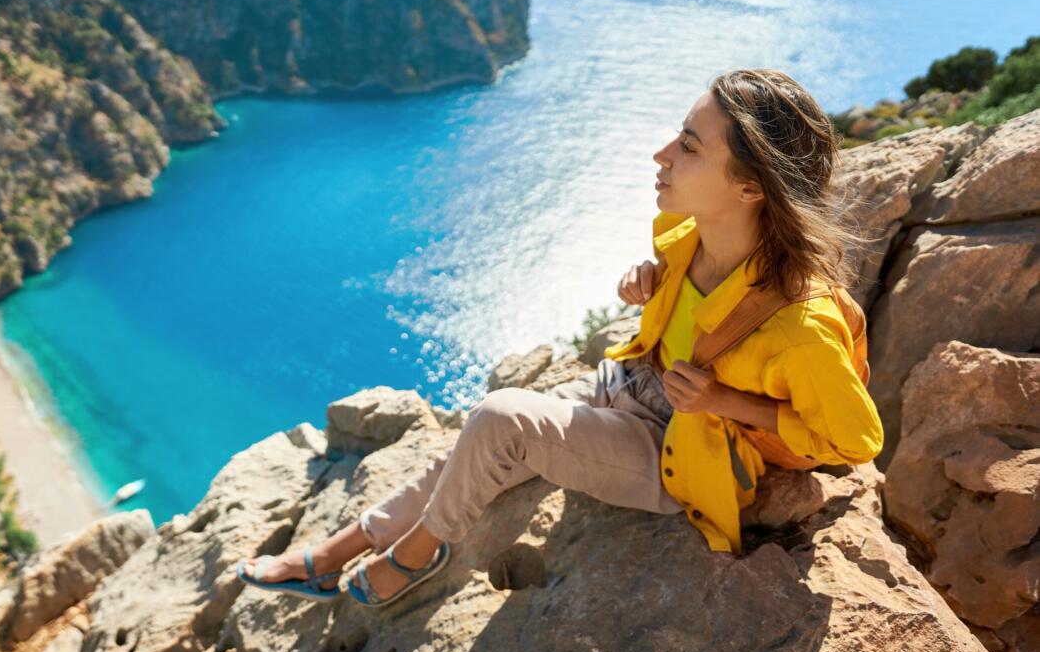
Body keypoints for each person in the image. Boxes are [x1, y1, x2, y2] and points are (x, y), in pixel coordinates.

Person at [236, 68, 884, 607]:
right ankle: (338, 549)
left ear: (749, 186)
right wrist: (655, 287)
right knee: (472, 447)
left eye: (688, 146)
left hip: (682, 448)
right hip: (632, 385)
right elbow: (702, 318)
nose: (662, 154)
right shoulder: (689, 241)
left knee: (500, 419)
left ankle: (418, 552)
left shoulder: (802, 326)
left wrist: (723, 402)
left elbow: (852, 442)